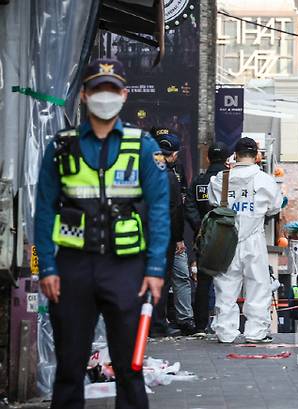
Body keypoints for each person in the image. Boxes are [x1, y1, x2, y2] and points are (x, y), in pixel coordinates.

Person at [35, 59, 169, 409]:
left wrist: (155, 270)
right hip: (72, 268)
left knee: (129, 369)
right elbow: (45, 209)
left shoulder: (143, 146)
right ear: (83, 95)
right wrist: (47, 267)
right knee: (68, 369)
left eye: (111, 90)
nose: (104, 97)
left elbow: (159, 209)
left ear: (124, 95)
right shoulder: (61, 146)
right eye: (97, 89)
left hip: (126, 269)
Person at [207, 137, 283, 343]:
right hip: (254, 237)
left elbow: (213, 203)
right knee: (258, 285)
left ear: (236, 154)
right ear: (257, 156)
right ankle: (255, 331)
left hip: (226, 238)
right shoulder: (265, 180)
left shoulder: (219, 179)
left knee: (225, 285)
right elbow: (275, 207)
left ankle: (225, 330)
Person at [150, 129, 195, 336]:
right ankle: (157, 325)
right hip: (163, 236)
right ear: (174, 155)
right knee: (162, 279)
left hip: (139, 234)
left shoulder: (144, 172)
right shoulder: (170, 178)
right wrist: (178, 238)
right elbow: (176, 211)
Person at [185, 142, 231, 334]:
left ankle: (200, 326)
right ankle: (225, 324)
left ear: (207, 158)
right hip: (229, 237)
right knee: (228, 281)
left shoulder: (198, 182)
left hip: (203, 239)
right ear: (228, 159)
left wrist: (202, 227)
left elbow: (189, 206)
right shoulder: (231, 180)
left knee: (203, 283)